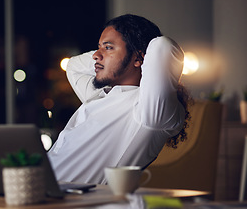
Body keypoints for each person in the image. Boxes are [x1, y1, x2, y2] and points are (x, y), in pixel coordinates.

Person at [47, 14, 191, 184]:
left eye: (108, 48)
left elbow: (162, 46)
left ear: (139, 58)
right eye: (98, 47)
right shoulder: (98, 96)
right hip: (36, 183)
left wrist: (136, 46)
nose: (95, 56)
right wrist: (107, 53)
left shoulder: (148, 112)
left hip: (67, 200)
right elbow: (73, 66)